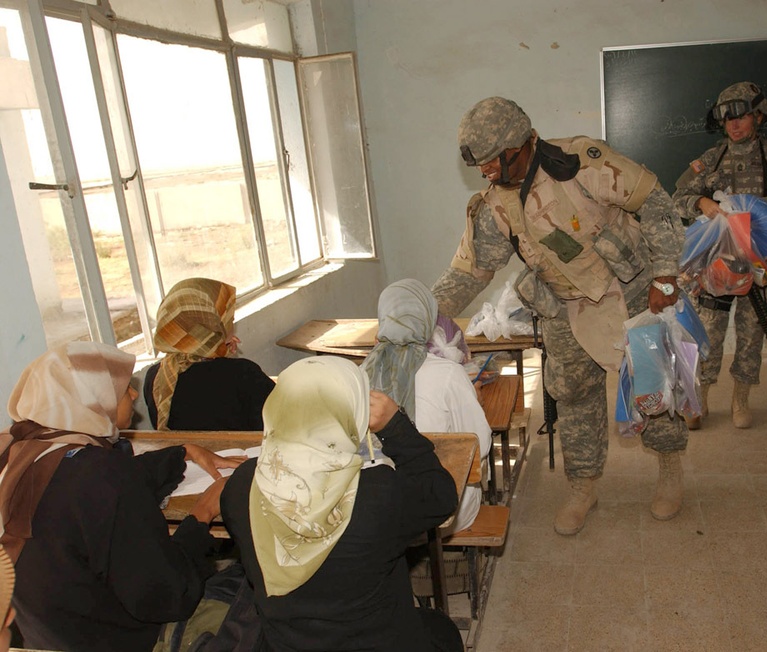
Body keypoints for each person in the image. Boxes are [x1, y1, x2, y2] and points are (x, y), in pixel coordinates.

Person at [431, 96, 687, 535]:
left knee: (653, 386)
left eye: (495, 162)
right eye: (482, 166)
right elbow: (472, 271)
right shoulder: (494, 206)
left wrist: (666, 274)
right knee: (573, 394)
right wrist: (425, 311)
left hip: (633, 292)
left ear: (522, 143)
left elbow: (655, 202)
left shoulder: (581, 164)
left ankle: (669, 469)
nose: (487, 172)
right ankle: (583, 487)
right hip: (565, 307)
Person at [0, 342, 239, 652]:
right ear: (92, 399)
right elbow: (168, 596)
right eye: (124, 387)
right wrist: (202, 515)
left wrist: (182, 453)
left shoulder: (21, 451)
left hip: (46, 637)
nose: (134, 395)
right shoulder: (104, 475)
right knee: (248, 596)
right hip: (120, 639)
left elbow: (88, 487)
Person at [219, 356, 463, 652]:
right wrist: (396, 426)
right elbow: (441, 495)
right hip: (378, 642)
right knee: (443, 630)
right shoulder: (379, 492)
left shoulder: (241, 486)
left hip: (285, 643)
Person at [672, 81, 767, 429]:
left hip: (760, 260)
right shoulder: (712, 158)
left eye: (741, 116)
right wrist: (701, 202)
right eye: (727, 119)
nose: (734, 125)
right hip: (717, 263)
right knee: (708, 333)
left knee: (751, 332)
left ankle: (741, 398)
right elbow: (678, 196)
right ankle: (699, 398)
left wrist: (749, 209)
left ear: (758, 116)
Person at [361, 278, 492, 534]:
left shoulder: (358, 374)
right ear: (429, 321)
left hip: (379, 517)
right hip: (444, 513)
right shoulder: (449, 374)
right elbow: (482, 445)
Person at [143, 277, 275, 430]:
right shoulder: (243, 374)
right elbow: (280, 420)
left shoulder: (156, 377)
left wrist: (217, 351)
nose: (231, 322)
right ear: (212, 324)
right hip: (242, 453)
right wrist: (224, 357)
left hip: (184, 454)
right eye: (228, 318)